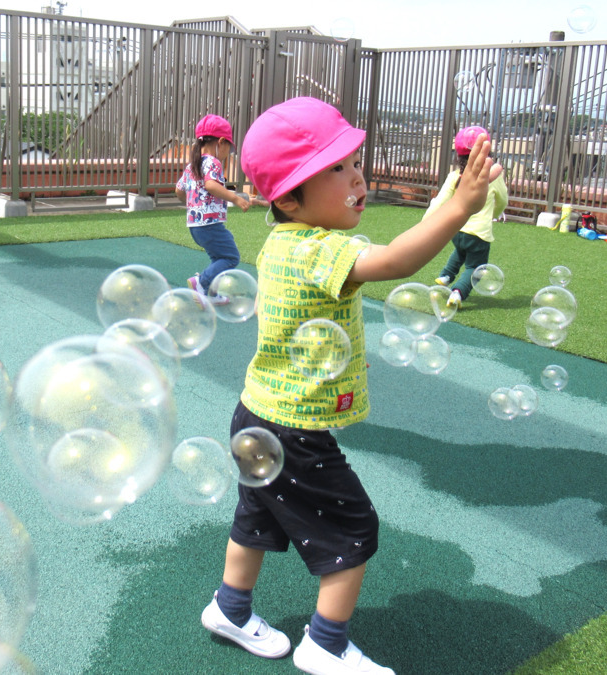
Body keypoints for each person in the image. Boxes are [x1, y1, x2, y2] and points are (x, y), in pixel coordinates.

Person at [200, 97, 499, 674]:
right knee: (352, 526)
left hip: (256, 413)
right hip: (294, 430)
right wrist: (459, 207)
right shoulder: (320, 248)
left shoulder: (281, 241)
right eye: (336, 169)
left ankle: (230, 609)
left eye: (355, 163)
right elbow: (394, 262)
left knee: (257, 517)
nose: (358, 178)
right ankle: (326, 644)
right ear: (290, 199)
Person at [425, 125, 508, 307]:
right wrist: (494, 214)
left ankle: (445, 276)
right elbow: (503, 201)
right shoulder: (492, 178)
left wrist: (424, 223)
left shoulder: (455, 176)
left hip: (457, 229)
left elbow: (439, 202)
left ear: (459, 156)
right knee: (475, 267)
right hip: (479, 233)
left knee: (461, 251)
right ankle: (458, 292)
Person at [176, 114, 250, 303]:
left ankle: (212, 293)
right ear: (221, 142)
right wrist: (236, 198)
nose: (227, 153)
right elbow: (210, 185)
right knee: (230, 257)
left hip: (195, 224)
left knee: (219, 257)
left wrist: (192, 203)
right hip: (209, 223)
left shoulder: (192, 165)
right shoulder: (213, 162)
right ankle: (201, 282)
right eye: (229, 148)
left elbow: (179, 190)